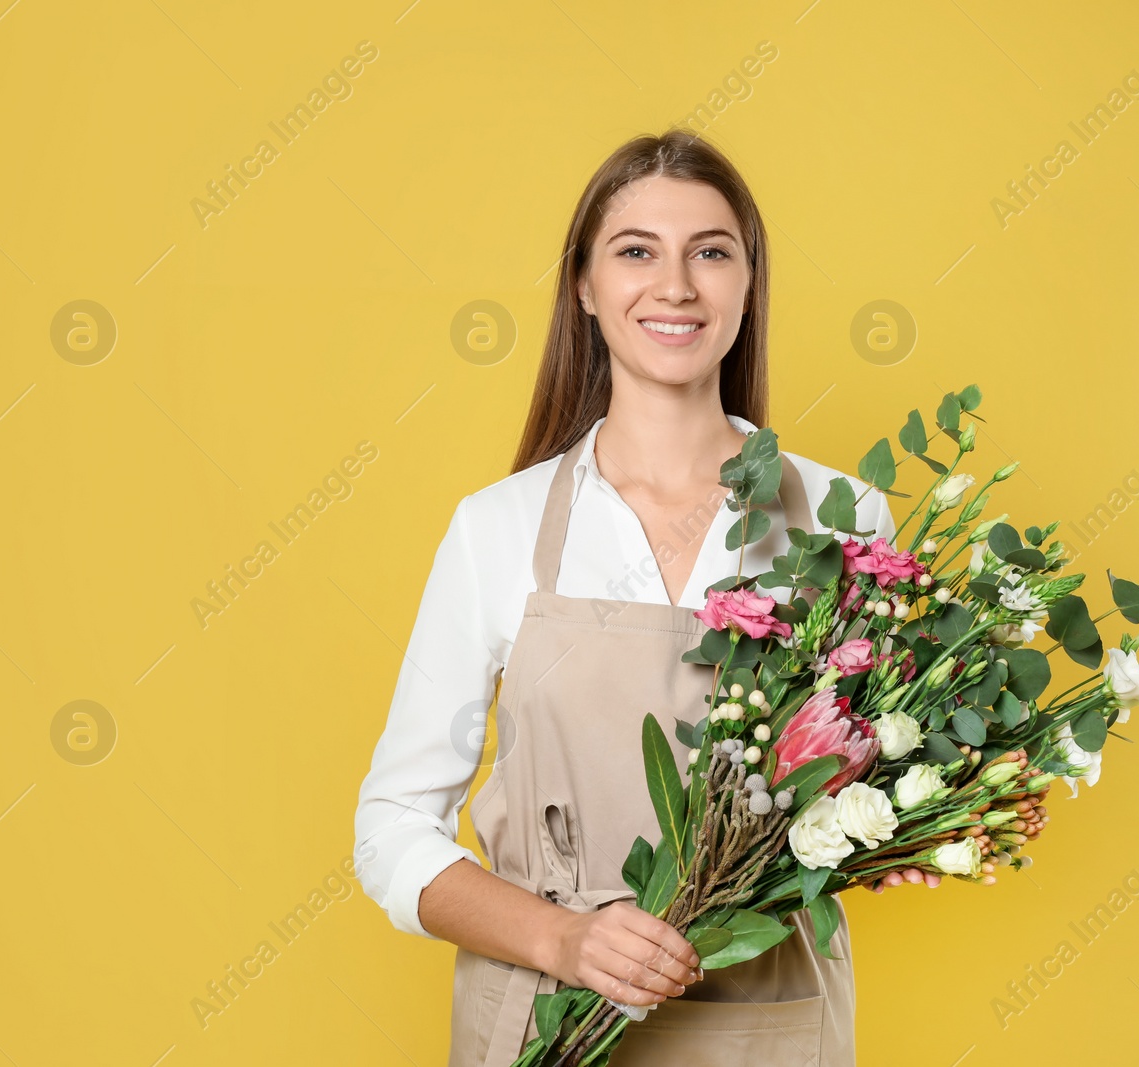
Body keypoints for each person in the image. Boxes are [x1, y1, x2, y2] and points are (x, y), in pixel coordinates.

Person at [353, 130, 937, 1067]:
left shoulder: (843, 520)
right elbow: (389, 831)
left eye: (711, 251)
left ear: (748, 285)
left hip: (766, 1020)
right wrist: (565, 940)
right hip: (541, 1022)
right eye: (636, 251)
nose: (676, 286)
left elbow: (885, 788)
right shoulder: (494, 529)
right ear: (584, 287)